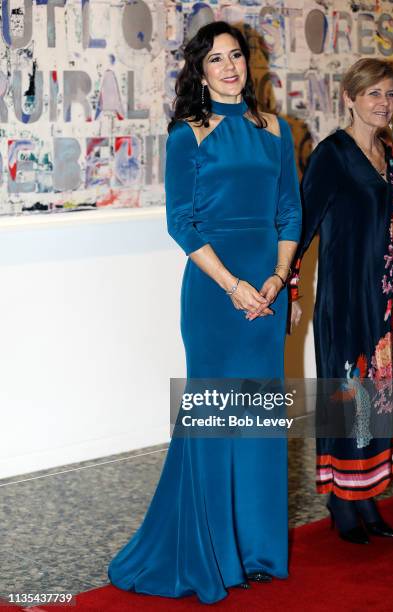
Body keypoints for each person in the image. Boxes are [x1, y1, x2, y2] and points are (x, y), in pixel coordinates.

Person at [108, 21, 301, 603]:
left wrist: (275, 279)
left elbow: (290, 212)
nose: (228, 67)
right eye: (215, 58)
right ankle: (214, 554)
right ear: (200, 70)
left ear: (249, 63)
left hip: (268, 288)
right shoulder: (187, 134)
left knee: (261, 421)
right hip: (215, 292)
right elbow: (181, 221)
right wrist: (234, 285)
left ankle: (260, 551)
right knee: (216, 420)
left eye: (236, 56)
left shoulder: (276, 130)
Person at [290, 58, 393, 544]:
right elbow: (300, 227)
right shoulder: (332, 155)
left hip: (391, 305)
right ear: (349, 97)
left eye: (389, 94)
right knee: (351, 396)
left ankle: (366, 493)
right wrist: (291, 288)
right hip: (347, 301)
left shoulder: (391, 153)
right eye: (373, 94)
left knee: (382, 400)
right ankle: (341, 500)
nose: (384, 104)